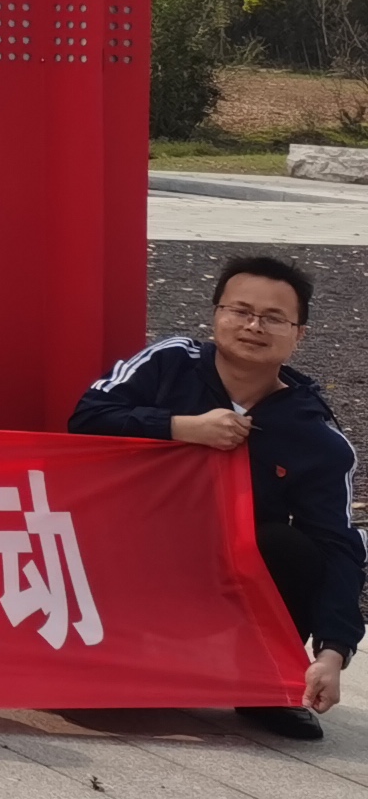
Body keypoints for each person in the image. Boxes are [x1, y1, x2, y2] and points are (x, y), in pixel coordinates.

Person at [73, 255, 362, 741]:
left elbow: (340, 547)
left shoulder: (314, 434)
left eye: (273, 318)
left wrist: (333, 652)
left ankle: (264, 686)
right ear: (216, 315)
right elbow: (86, 417)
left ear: (299, 335)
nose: (253, 326)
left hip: (217, 572)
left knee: (295, 549)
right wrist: (179, 428)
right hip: (122, 552)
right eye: (240, 311)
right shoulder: (168, 364)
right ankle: (99, 659)